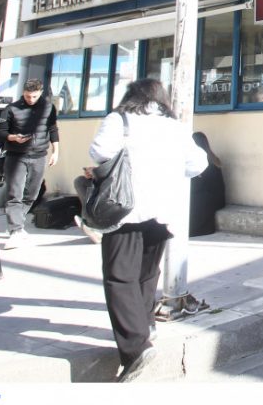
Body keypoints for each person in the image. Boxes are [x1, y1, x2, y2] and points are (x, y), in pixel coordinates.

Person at [86, 78, 207, 383]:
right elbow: (198, 164)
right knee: (146, 275)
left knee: (119, 277)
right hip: (163, 211)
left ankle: (136, 348)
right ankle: (145, 328)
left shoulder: (120, 120)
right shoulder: (175, 126)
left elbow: (99, 152)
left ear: (132, 95)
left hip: (127, 210)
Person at [0, 79, 59, 249]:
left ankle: (18, 224)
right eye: (28, 96)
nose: (31, 99)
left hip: (39, 155)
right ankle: (15, 230)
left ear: (40, 92)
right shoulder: (11, 109)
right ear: (23, 92)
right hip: (16, 156)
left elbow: (53, 129)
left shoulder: (48, 107)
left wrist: (56, 151)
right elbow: (0, 132)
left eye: (34, 96)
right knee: (14, 193)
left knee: (32, 194)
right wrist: (13, 137)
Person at [189, 131, 226, 237]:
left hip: (210, 198)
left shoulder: (202, 161)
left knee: (193, 199)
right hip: (214, 197)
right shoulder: (212, 158)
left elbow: (200, 186)